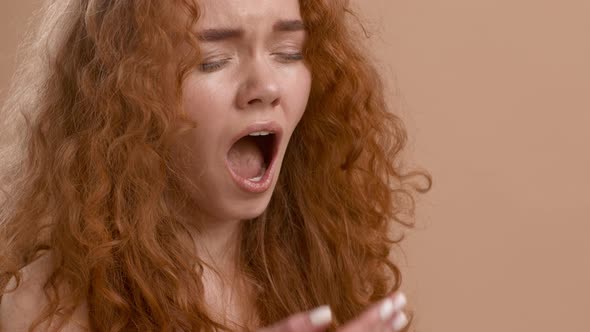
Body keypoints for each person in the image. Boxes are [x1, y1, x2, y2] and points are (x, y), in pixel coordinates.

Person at [0, 0, 432, 331]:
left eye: (287, 52)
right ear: (125, 94)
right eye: (212, 60)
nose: (265, 87)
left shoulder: (323, 269)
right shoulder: (41, 308)